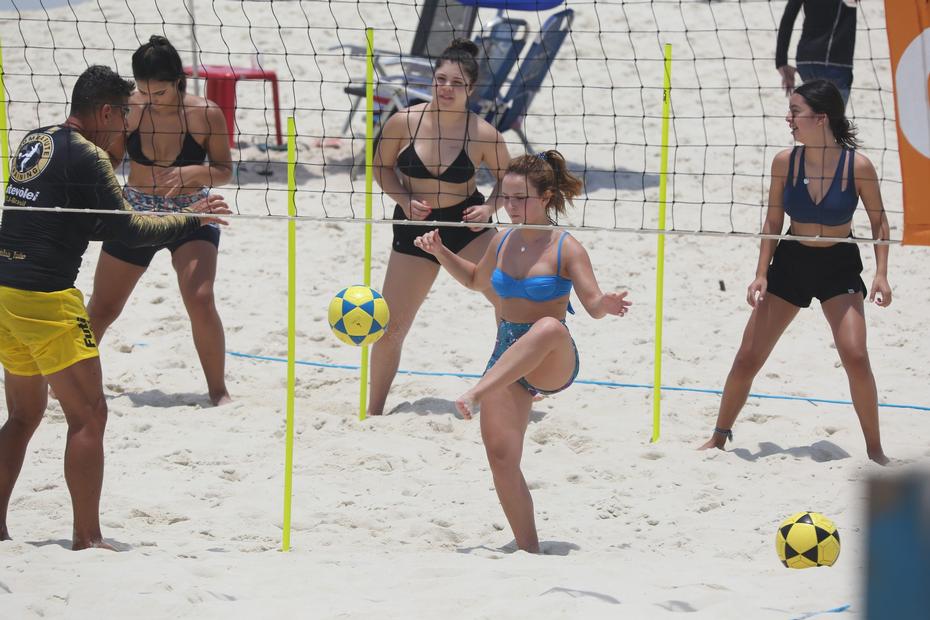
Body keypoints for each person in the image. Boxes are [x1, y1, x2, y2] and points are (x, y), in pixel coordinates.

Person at [0, 65, 230, 549]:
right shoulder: (89, 156)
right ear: (105, 111)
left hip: (5, 291)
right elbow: (126, 230)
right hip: (45, 300)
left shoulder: (36, 139)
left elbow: (96, 218)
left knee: (23, 417)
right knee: (90, 417)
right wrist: (188, 217)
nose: (129, 124)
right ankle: (88, 538)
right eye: (124, 114)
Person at [414, 151, 632, 553]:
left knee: (548, 326)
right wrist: (441, 252)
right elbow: (478, 281)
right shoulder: (502, 239)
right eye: (506, 198)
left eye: (520, 198)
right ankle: (529, 551)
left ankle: (476, 391)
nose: (510, 207)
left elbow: (593, 305)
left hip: (552, 356)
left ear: (545, 197)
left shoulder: (567, 248)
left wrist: (608, 303)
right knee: (501, 458)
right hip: (508, 354)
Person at [699, 80, 891, 465]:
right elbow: (773, 218)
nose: (789, 119)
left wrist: (881, 274)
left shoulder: (859, 166)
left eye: (795, 112)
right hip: (791, 262)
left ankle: (875, 450)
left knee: (855, 356)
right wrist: (761, 273)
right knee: (748, 357)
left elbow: (879, 221)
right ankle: (718, 439)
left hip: (839, 264)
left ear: (821, 119)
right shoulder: (786, 161)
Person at [85, 35, 233, 406]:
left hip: (192, 212)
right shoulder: (129, 108)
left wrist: (192, 173)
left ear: (178, 82)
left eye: (160, 93)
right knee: (103, 306)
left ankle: (219, 392)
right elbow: (112, 158)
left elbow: (225, 170)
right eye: (144, 92)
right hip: (137, 209)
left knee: (200, 299)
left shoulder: (206, 113)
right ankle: (66, 380)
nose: (150, 100)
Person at [368, 38, 512, 416]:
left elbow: (509, 183)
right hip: (415, 226)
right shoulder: (405, 121)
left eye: (457, 83)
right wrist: (402, 199)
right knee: (391, 326)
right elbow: (380, 167)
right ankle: (374, 410)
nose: (446, 88)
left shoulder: (484, 134)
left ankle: (505, 389)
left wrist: (491, 208)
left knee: (509, 302)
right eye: (441, 79)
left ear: (471, 90)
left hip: (465, 223)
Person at [776, 0, 857, 106]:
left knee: (813, 119)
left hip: (806, 62)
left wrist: (781, 62)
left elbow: (788, 16)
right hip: (835, 63)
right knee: (830, 120)